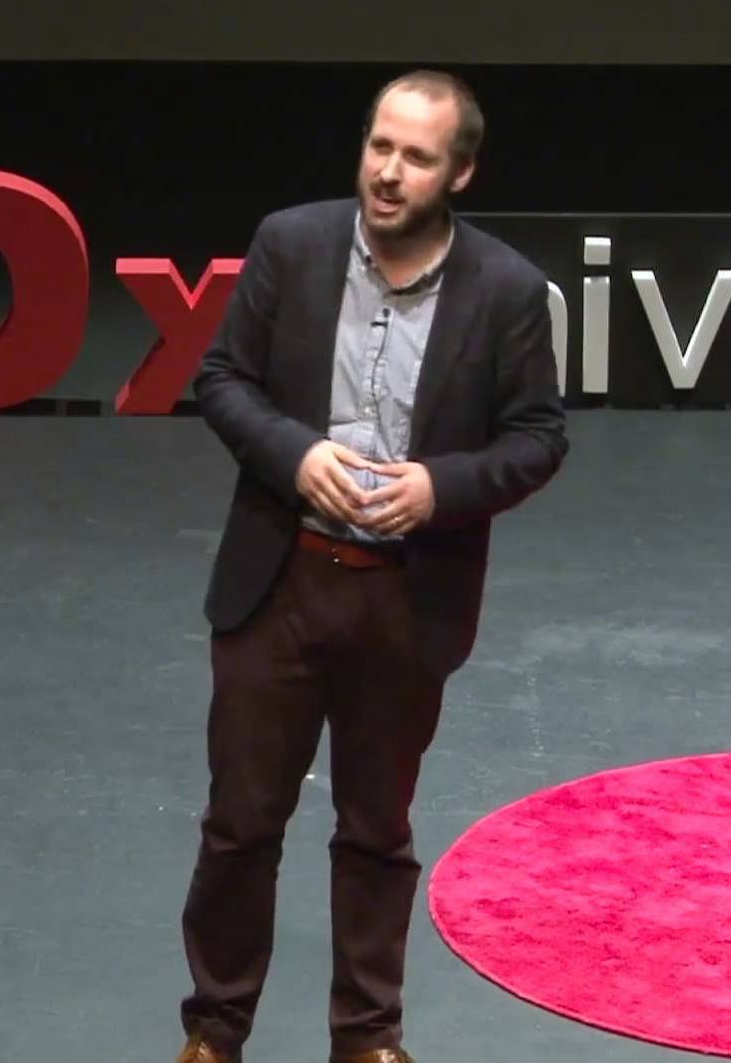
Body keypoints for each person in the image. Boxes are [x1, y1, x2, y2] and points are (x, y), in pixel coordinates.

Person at [176, 69, 568, 1063]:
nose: (388, 173)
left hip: (404, 596)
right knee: (239, 822)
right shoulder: (291, 244)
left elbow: (536, 439)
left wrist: (439, 487)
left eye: (417, 157)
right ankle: (213, 1034)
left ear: (461, 172)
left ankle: (366, 1040)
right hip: (281, 580)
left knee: (375, 831)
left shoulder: (508, 291)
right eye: (379, 146)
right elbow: (220, 380)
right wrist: (295, 455)